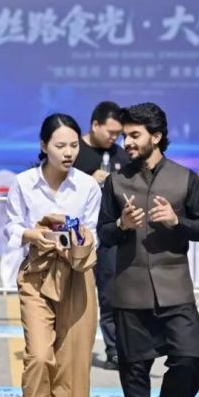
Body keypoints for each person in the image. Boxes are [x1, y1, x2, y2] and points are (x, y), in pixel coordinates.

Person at [97, 102, 199, 397]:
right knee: (134, 369)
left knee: (192, 358)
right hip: (129, 289)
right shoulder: (116, 182)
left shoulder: (185, 178)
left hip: (175, 288)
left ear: (157, 136)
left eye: (135, 135)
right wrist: (121, 226)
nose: (127, 143)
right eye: (125, 136)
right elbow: (103, 234)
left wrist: (178, 222)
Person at [5, 113, 101, 397]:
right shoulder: (24, 183)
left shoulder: (88, 187)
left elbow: (93, 232)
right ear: (44, 146)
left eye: (74, 145)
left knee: (73, 359)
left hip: (76, 274)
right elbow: (11, 227)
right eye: (60, 145)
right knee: (40, 356)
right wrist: (35, 234)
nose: (69, 152)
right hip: (37, 273)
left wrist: (77, 238)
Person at [73, 100, 128, 370]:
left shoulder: (120, 155)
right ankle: (70, 348)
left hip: (108, 236)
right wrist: (88, 180)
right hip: (77, 235)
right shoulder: (74, 151)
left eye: (119, 134)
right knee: (75, 296)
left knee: (109, 294)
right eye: (110, 132)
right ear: (95, 125)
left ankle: (114, 349)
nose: (114, 138)